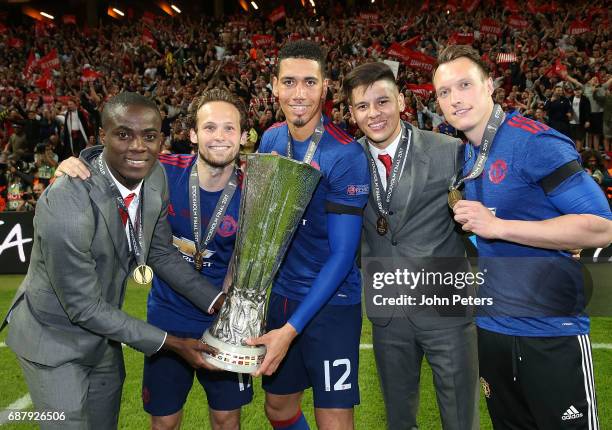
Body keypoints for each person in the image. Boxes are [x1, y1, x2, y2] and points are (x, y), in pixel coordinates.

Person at [0, 92, 225, 429]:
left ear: (160, 139)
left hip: (102, 338)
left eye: (149, 136)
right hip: (53, 339)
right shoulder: (68, 203)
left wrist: (218, 300)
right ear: (102, 136)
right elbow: (82, 307)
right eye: (123, 134)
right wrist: (172, 344)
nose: (138, 146)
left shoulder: (155, 177)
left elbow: (160, 252)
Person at [433, 45, 612, 430]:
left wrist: (498, 227)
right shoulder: (467, 156)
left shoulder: (534, 142)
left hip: (549, 331)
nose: (454, 99)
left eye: (464, 85)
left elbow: (601, 225)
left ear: (490, 86)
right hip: (492, 332)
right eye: (444, 92)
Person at [55, 89, 254, 430]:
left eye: (229, 128)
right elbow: (116, 158)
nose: (219, 137)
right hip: (167, 319)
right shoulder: (163, 170)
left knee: (226, 420)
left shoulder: (254, 188)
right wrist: (79, 161)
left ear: (244, 135)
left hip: (224, 324)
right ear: (192, 134)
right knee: (163, 422)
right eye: (209, 128)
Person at [343, 61, 478, 430]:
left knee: (460, 418)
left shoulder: (450, 150)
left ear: (401, 100)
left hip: (445, 307)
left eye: (382, 101)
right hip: (388, 312)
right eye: (363, 106)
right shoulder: (346, 160)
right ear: (352, 112)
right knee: (399, 419)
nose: (374, 114)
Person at [246, 40, 370, 430]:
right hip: (282, 296)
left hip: (332, 303)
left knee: (334, 421)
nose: (299, 93)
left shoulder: (345, 155)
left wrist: (290, 331)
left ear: (325, 87)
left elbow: (343, 255)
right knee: (278, 409)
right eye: (289, 82)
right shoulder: (270, 140)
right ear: (274, 87)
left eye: (309, 82)